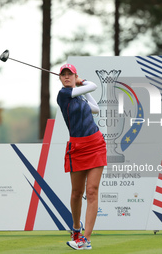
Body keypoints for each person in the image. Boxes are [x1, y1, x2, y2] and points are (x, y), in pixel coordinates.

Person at [57, 64, 107, 250]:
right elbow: (93, 85)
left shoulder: (79, 95)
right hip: (77, 147)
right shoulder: (64, 95)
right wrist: (81, 82)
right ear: (60, 79)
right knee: (76, 193)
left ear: (75, 75)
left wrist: (81, 87)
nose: (67, 77)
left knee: (92, 191)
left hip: (96, 144)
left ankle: (85, 239)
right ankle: (76, 229)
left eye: (70, 74)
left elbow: (96, 109)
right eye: (64, 75)